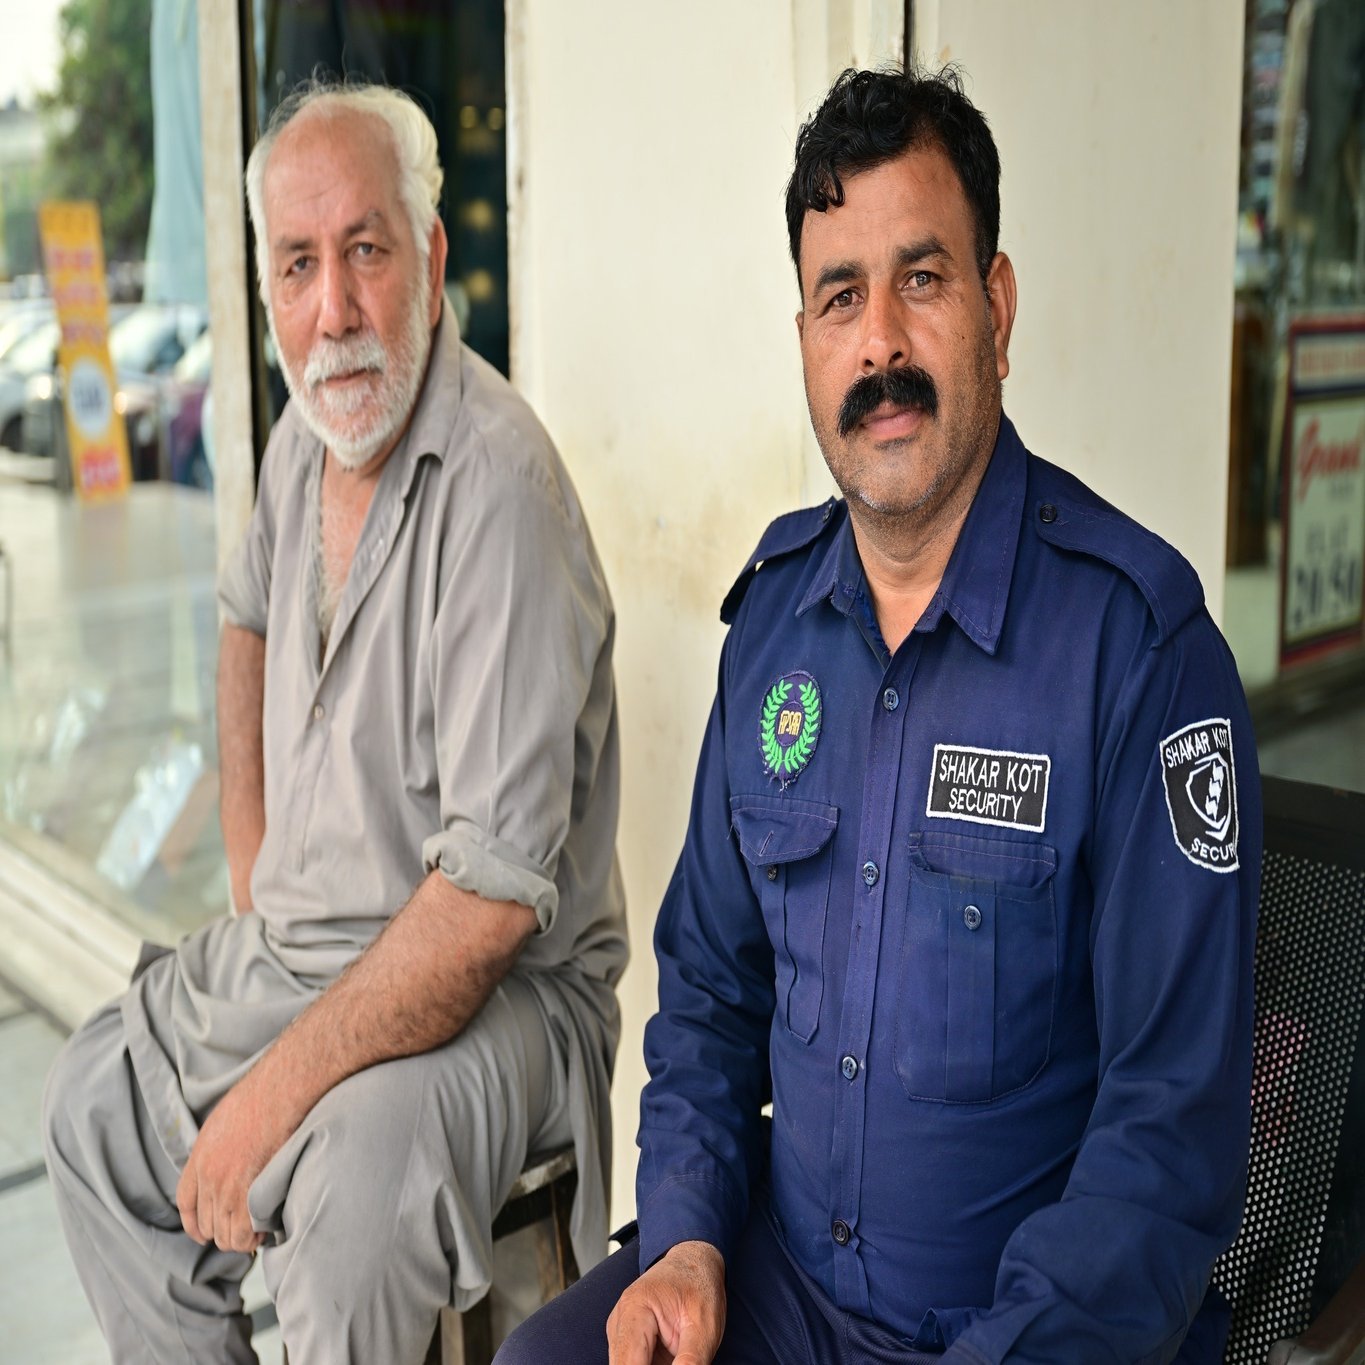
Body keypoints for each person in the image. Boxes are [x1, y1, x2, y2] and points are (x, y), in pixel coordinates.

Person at [496, 65, 1259, 1365]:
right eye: (841, 296)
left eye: (923, 278)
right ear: (805, 334)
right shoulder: (774, 626)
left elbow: (1168, 1129)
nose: (881, 344)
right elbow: (709, 992)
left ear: (996, 307)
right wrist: (684, 1237)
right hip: (780, 1290)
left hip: (1025, 1333)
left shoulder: (1139, 651)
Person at [43, 78, 627, 1364]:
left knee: (352, 1200)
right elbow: (244, 613)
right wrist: (255, 868)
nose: (335, 311)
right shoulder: (302, 448)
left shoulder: (500, 488)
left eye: (365, 250)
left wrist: (264, 1102)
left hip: (510, 996)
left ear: (430, 255)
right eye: (299, 265)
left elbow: (483, 914)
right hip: (305, 953)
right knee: (90, 1105)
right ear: (267, 293)